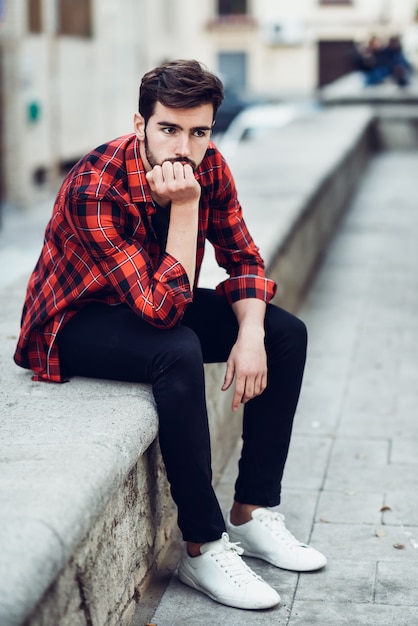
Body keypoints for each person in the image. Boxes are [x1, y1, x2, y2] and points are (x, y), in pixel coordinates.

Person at [14, 59, 326, 610]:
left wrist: (249, 331)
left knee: (284, 332)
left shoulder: (211, 166)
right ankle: (202, 546)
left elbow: (244, 260)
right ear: (140, 125)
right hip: (72, 323)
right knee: (175, 349)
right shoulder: (96, 184)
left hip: (151, 302)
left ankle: (253, 512)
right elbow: (163, 313)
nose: (185, 147)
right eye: (169, 129)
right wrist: (185, 207)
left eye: (199, 131)